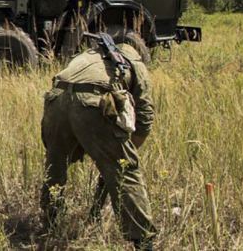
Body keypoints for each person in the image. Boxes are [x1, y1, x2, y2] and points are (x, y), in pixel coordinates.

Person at [39, 38, 156, 250]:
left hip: (56, 99)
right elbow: (145, 116)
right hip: (90, 102)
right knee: (124, 171)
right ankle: (143, 241)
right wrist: (123, 154)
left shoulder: (88, 55)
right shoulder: (135, 63)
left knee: (55, 166)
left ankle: (50, 224)